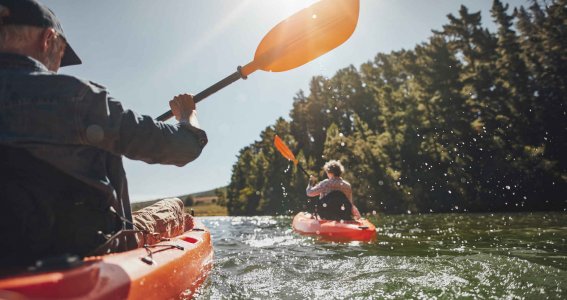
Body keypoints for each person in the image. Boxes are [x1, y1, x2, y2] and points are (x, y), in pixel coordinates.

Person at [0, 0, 207, 266]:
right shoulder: (80, 99)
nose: (57, 67)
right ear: (47, 39)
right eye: (61, 55)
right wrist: (187, 115)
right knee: (175, 207)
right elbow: (185, 147)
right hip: (89, 251)